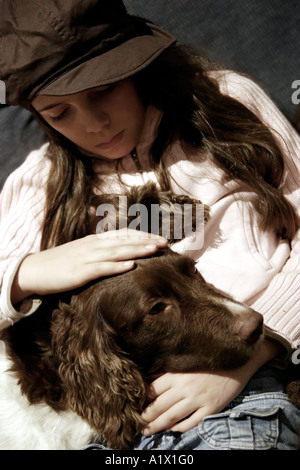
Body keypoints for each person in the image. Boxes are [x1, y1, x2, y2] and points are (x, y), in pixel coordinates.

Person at [0, 0, 300, 450]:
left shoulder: (225, 104)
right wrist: (27, 274)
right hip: (130, 415)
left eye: (102, 90)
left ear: (136, 65)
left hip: (256, 378)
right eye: (59, 113)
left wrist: (259, 349)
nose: (94, 123)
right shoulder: (41, 182)